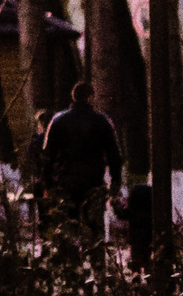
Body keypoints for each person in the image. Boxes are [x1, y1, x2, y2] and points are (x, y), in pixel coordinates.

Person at [39, 81, 124, 235]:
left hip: (66, 182)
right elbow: (114, 155)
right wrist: (115, 181)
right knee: (94, 228)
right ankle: (95, 257)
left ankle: (70, 257)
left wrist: (48, 183)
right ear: (90, 97)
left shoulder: (58, 120)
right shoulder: (102, 121)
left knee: (67, 228)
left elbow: (47, 155)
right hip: (93, 182)